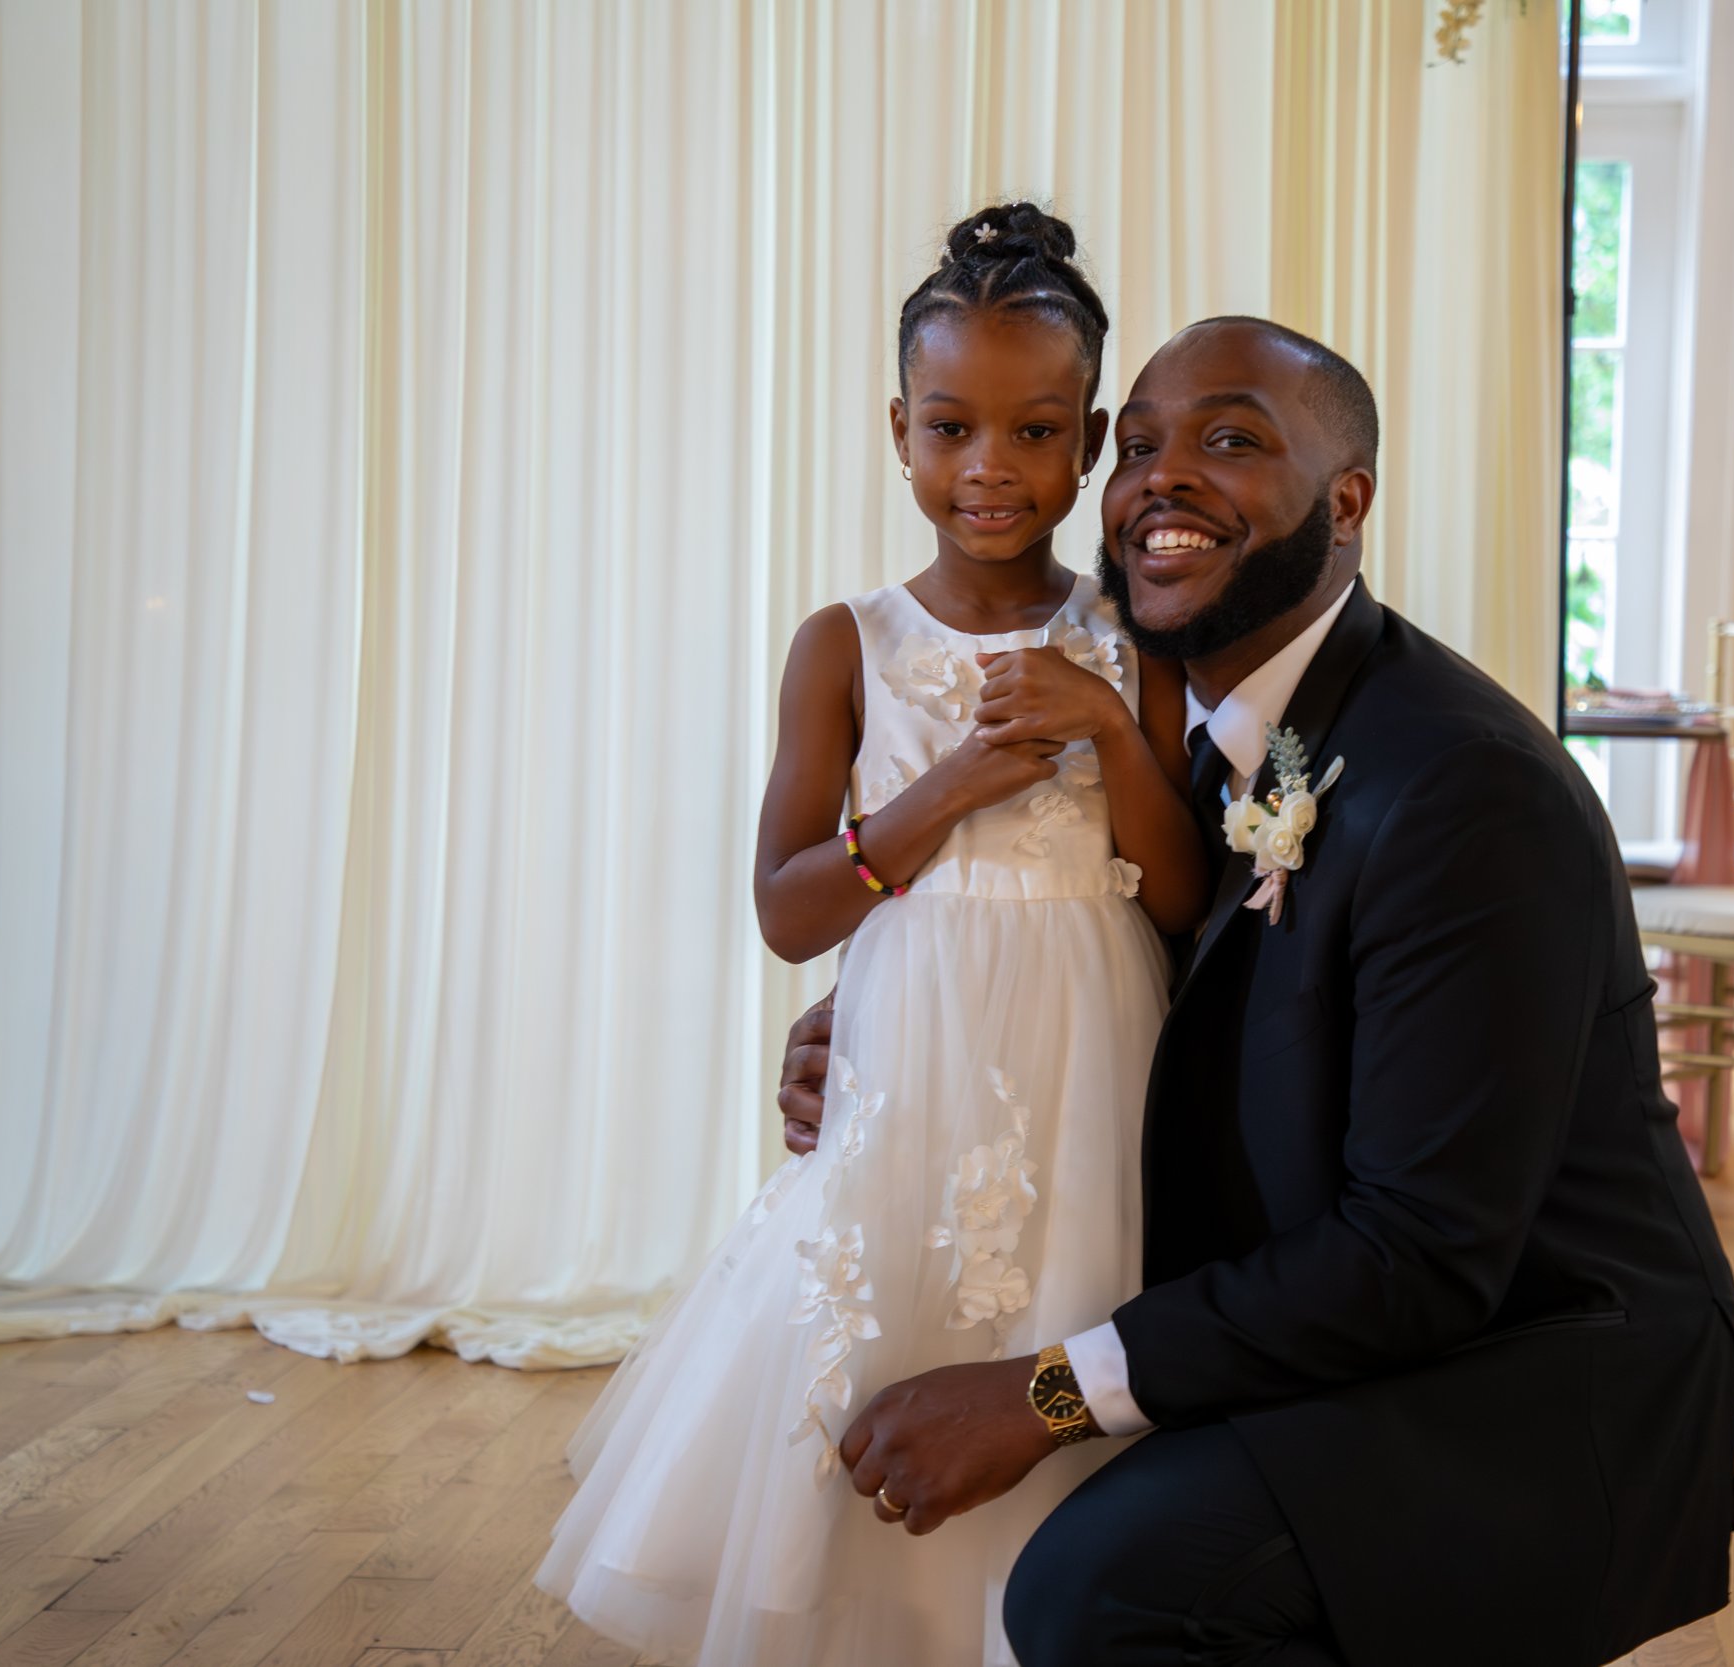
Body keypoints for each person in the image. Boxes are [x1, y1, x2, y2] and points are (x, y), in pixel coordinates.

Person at [781, 317, 1734, 1667]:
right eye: (1141, 446)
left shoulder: (1464, 788)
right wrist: (892, 1032)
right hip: (1344, 1319)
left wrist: (1046, 1394)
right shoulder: (1193, 744)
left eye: (1232, 441)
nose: (1162, 478)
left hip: (1532, 1374)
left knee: (1097, 1589)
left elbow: (1422, 1252)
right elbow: (1138, 973)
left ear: (1347, 501)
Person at [537, 203, 1210, 1667]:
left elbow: (1179, 896)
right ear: (898, 432)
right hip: (915, 1053)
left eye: (1036, 433)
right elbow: (788, 912)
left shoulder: (1129, 640)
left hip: (1094, 1058)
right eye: (951, 428)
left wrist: (1106, 729)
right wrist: (952, 786)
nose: (990, 468)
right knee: (888, 1310)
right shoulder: (848, 643)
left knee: (1062, 1300)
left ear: (1090, 443)